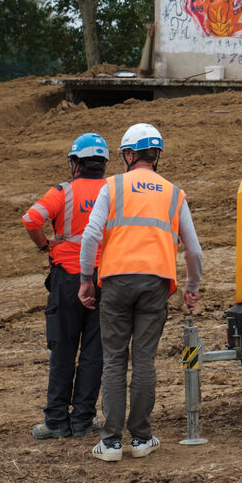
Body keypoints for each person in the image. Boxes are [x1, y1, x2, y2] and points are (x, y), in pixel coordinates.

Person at [78, 124, 203, 462]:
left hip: (116, 281)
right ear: (155, 155)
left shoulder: (113, 186)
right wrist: (191, 287)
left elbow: (91, 236)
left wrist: (86, 279)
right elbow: (194, 251)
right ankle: (142, 438)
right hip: (156, 283)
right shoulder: (174, 194)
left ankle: (111, 444)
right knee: (144, 361)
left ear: (130, 155)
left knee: (114, 360)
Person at [21, 133, 111, 440]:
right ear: (103, 163)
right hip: (105, 278)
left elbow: (31, 219)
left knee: (63, 348)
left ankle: (57, 421)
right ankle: (84, 419)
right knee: (94, 351)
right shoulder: (114, 191)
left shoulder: (64, 192)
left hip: (68, 279)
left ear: (76, 163)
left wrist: (44, 244)